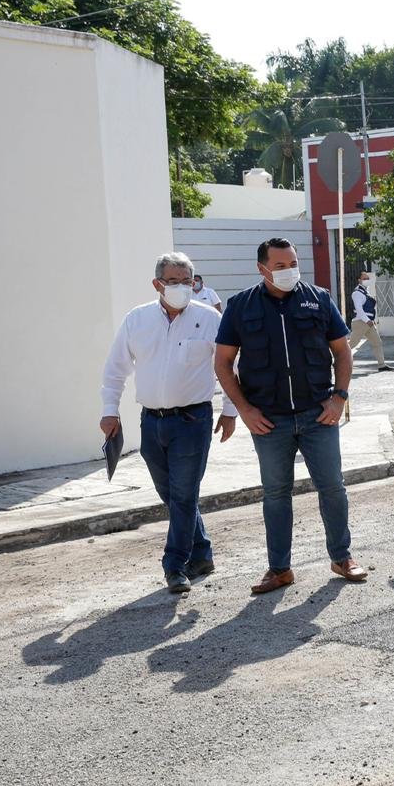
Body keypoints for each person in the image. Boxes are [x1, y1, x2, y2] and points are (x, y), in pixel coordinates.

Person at [214, 237, 366, 594]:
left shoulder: (319, 298)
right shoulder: (240, 307)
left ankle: (342, 556)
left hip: (318, 415)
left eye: (292, 264)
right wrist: (244, 410)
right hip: (269, 420)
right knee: (276, 495)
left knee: (332, 487)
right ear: (262, 268)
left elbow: (343, 353)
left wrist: (339, 398)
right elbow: (222, 364)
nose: (289, 271)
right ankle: (279, 569)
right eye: (280, 266)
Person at [100, 253, 237, 594]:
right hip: (152, 422)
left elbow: (231, 366)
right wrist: (109, 410)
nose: (180, 287)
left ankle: (174, 564)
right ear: (157, 284)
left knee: (184, 495)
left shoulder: (210, 320)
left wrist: (231, 410)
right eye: (172, 281)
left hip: (193, 420)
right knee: (171, 494)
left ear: (195, 283)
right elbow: (115, 368)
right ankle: (202, 553)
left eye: (186, 281)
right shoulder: (137, 320)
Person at [349, 270, 393, 371]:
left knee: (377, 342)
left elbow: (370, 309)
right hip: (360, 322)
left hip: (367, 322)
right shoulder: (357, 293)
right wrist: (367, 320)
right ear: (359, 280)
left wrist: (371, 321)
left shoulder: (366, 292)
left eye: (367, 278)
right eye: (364, 278)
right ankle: (337, 360)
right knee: (352, 344)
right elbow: (359, 309)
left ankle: (381, 365)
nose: (367, 280)